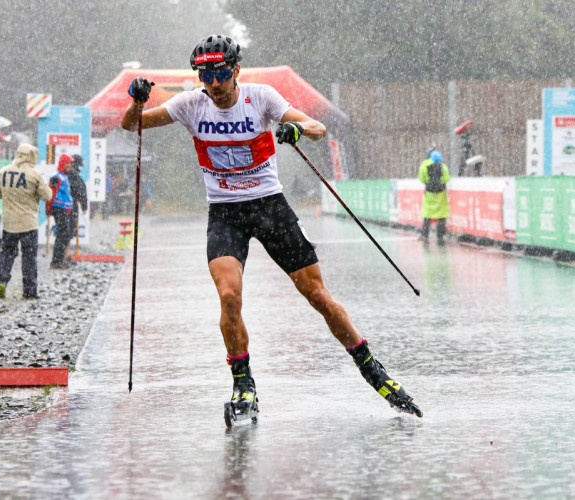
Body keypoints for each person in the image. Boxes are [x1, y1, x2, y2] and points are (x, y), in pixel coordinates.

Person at [121, 34, 422, 419]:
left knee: (317, 295)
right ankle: (243, 384)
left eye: (222, 73)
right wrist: (136, 101)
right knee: (229, 295)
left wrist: (296, 130)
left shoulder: (260, 97)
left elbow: (317, 127)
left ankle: (372, 369)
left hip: (269, 207)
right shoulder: (189, 104)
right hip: (226, 212)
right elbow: (133, 126)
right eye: (206, 74)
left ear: (236, 71)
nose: (214, 84)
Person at [0, 144, 52, 299]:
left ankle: (2, 280)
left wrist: (11, 198)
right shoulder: (36, 175)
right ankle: (29, 291)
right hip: (28, 223)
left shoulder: (3, 172)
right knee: (29, 257)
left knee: (7, 254)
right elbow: (47, 196)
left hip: (9, 223)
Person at [47, 155, 75, 269]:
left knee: (64, 234)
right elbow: (51, 193)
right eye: (67, 163)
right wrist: (48, 208)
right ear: (62, 164)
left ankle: (60, 259)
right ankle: (56, 261)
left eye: (70, 164)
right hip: (59, 208)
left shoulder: (65, 177)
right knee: (62, 234)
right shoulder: (56, 177)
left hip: (65, 209)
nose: (69, 166)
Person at [419, 150, 451, 244]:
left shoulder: (424, 166)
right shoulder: (443, 166)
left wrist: (429, 182)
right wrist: (440, 183)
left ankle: (425, 235)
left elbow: (422, 178)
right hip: (441, 193)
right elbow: (446, 178)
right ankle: (440, 236)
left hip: (429, 193)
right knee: (442, 215)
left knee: (427, 215)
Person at [66, 154, 89, 263]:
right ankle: (64, 257)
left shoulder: (68, 173)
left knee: (66, 232)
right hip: (70, 206)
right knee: (67, 232)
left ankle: (64, 257)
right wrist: (84, 205)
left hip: (65, 205)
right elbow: (81, 190)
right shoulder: (73, 174)